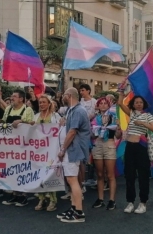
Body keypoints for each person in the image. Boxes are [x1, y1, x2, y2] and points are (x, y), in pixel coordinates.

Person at [117, 83, 153, 214]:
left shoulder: (148, 115)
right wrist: (121, 91)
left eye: (140, 102)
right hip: (130, 146)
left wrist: (143, 123)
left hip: (141, 147)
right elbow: (120, 103)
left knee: (143, 175)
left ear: (143, 104)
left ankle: (143, 202)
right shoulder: (132, 113)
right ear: (133, 104)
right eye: (136, 102)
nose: (139, 104)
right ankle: (130, 202)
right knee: (129, 175)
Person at [0, 89, 34, 206]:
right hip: (10, 146)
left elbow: (32, 125)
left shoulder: (27, 109)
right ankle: (15, 194)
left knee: (23, 170)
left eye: (14, 96)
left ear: (21, 99)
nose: (12, 98)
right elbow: (4, 122)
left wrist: (22, 121)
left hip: (23, 145)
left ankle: (23, 195)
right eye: (11, 96)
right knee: (12, 170)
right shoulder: (8, 109)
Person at [56, 87, 90, 223]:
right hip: (71, 149)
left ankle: (79, 212)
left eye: (64, 95)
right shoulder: (72, 110)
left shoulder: (78, 111)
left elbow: (72, 132)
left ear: (69, 96)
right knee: (71, 180)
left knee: (72, 180)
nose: (62, 97)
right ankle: (74, 207)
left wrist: (63, 149)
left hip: (73, 150)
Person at [91, 97, 121, 210]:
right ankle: (100, 199)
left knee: (110, 175)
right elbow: (92, 135)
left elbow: (118, 136)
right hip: (97, 144)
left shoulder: (114, 118)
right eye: (101, 103)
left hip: (109, 144)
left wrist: (118, 129)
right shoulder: (95, 119)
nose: (103, 105)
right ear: (98, 106)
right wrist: (95, 130)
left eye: (105, 103)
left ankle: (112, 200)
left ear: (109, 106)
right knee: (99, 174)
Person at [33, 95, 61, 212]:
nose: (42, 104)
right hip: (39, 152)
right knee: (39, 175)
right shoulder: (35, 117)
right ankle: (41, 198)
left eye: (44, 102)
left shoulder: (55, 117)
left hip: (51, 152)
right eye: (40, 103)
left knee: (50, 175)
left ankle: (53, 200)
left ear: (49, 104)